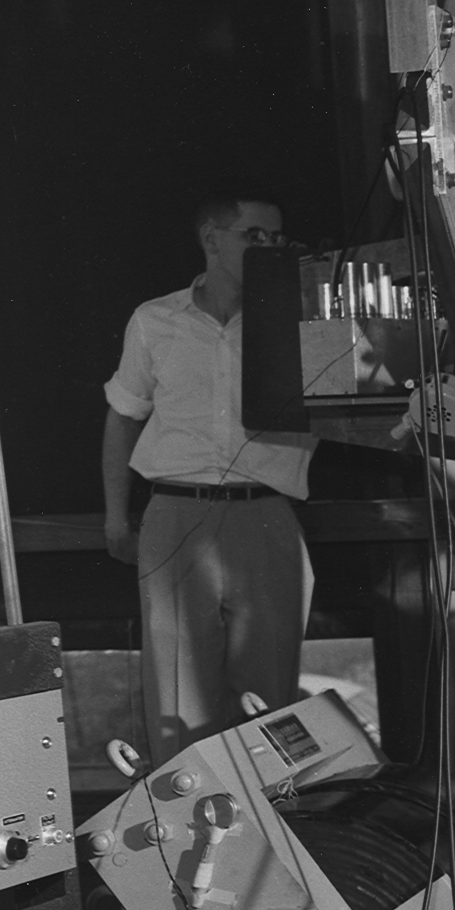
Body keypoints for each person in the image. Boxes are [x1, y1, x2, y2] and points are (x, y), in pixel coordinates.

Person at [103, 190, 317, 763]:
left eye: (277, 238)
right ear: (212, 240)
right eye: (254, 236)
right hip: (176, 515)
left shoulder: (305, 317)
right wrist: (114, 517)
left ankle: (276, 837)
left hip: (267, 514)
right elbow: (123, 418)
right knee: (178, 699)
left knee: (270, 701)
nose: (268, 248)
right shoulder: (155, 320)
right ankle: (192, 838)